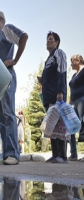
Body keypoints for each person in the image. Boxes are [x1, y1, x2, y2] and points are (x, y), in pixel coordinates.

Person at [0, 10, 28, 165]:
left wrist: (14, 60)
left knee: (8, 114)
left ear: (0, 19)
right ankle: (6, 154)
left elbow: (24, 37)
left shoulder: (6, 29)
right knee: (1, 117)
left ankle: (13, 154)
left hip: (7, 75)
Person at [40, 31, 67, 163]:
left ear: (56, 42)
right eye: (47, 40)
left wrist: (60, 92)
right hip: (49, 97)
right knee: (51, 126)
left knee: (59, 125)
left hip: (57, 96)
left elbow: (61, 71)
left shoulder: (59, 53)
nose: (48, 41)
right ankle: (55, 154)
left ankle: (62, 155)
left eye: (51, 39)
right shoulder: (49, 58)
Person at [68, 54, 84, 161]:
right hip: (74, 102)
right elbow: (72, 89)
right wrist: (69, 104)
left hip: (83, 99)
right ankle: (73, 154)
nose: (71, 64)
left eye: (72, 61)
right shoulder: (74, 76)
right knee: (71, 126)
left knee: (83, 124)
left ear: (78, 61)